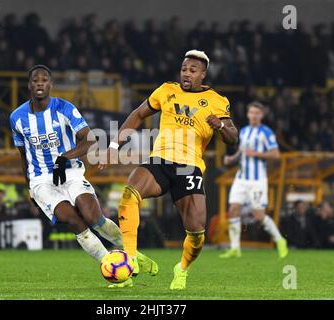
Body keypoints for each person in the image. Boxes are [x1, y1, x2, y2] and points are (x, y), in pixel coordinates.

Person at [99, 50, 238, 290]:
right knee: (129, 194)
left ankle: (181, 268)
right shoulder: (166, 90)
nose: (187, 73)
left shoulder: (217, 100)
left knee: (196, 233)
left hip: (188, 167)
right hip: (160, 160)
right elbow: (138, 114)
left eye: (193, 70)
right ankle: (130, 259)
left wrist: (221, 126)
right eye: (184, 69)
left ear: (203, 74)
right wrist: (113, 145)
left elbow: (232, 137)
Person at [9, 65, 156, 277]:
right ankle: (110, 264)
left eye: (43, 80)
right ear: (29, 85)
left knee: (93, 216)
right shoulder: (17, 117)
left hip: (71, 172)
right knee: (73, 219)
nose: (39, 83)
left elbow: (90, 140)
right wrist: (30, 188)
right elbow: (24, 156)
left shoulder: (64, 108)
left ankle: (132, 254)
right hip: (41, 180)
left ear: (50, 84)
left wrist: (64, 157)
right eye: (35, 80)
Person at [220, 101, 288, 258]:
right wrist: (232, 158)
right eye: (252, 113)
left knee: (259, 215)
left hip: (257, 180)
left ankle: (279, 240)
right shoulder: (243, 131)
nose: (254, 116)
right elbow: (242, 151)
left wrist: (257, 154)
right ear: (248, 114)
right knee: (233, 210)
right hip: (241, 178)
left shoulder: (266, 132)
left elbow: (275, 154)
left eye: (257, 113)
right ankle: (235, 248)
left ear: (262, 115)